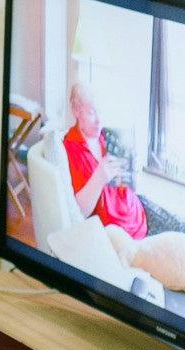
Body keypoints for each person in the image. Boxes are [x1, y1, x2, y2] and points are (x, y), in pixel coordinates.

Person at [63, 83, 148, 240]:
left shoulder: (107, 136)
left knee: (183, 228)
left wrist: (132, 171)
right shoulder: (71, 148)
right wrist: (100, 177)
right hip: (116, 235)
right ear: (76, 110)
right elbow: (79, 211)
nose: (99, 120)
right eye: (92, 112)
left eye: (100, 111)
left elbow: (126, 185)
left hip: (137, 217)